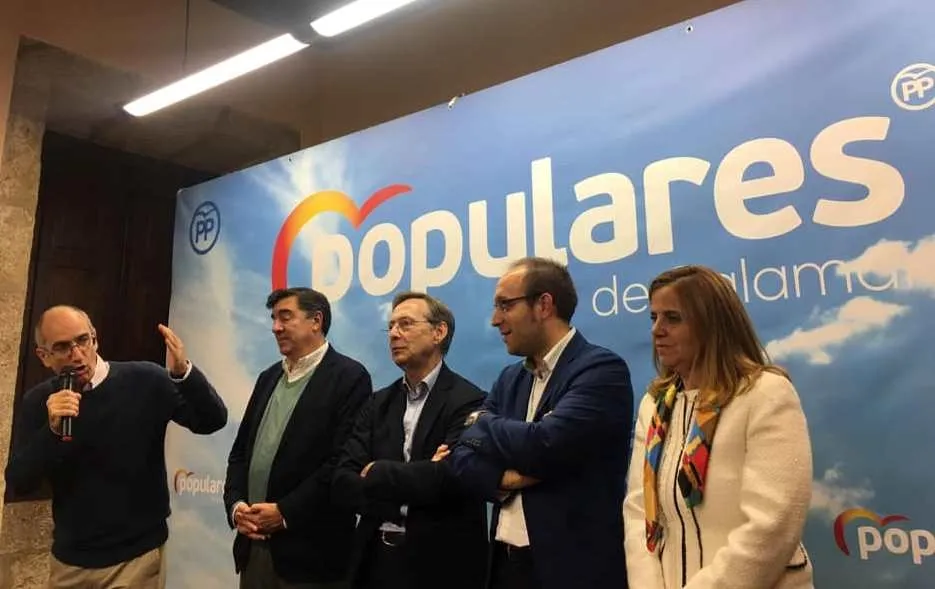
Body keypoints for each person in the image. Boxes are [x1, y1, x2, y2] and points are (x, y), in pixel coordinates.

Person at [4, 304, 227, 589]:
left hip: (136, 560)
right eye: (62, 347)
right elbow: (20, 482)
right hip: (70, 563)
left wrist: (184, 374)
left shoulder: (145, 380)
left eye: (83, 340)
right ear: (43, 356)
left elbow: (212, 421)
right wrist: (52, 432)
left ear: (95, 339)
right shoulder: (39, 402)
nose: (76, 355)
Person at [623, 265, 814, 589]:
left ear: (712, 324)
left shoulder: (765, 393)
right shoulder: (654, 405)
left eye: (673, 318)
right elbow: (639, 511)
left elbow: (773, 525)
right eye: (654, 317)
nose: (657, 330)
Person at [449, 257, 634, 589]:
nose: (495, 319)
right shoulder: (510, 379)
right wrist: (504, 476)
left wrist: (483, 422)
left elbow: (544, 446)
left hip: (571, 572)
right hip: (505, 569)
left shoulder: (601, 370)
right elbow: (461, 457)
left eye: (505, 305)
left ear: (544, 305)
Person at [333, 291, 488, 589]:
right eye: (391, 326)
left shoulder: (470, 400)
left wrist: (377, 472)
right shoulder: (378, 403)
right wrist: (415, 483)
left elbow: (452, 478)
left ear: (438, 332)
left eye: (405, 324)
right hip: (374, 561)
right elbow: (343, 481)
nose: (393, 334)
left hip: (439, 565)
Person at [224, 287, 373, 589]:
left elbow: (341, 463)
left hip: (312, 558)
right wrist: (237, 506)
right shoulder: (268, 377)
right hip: (253, 549)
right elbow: (240, 453)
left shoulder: (350, 378)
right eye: (274, 318)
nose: (275, 327)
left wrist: (284, 513)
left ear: (316, 321)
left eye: (285, 317)